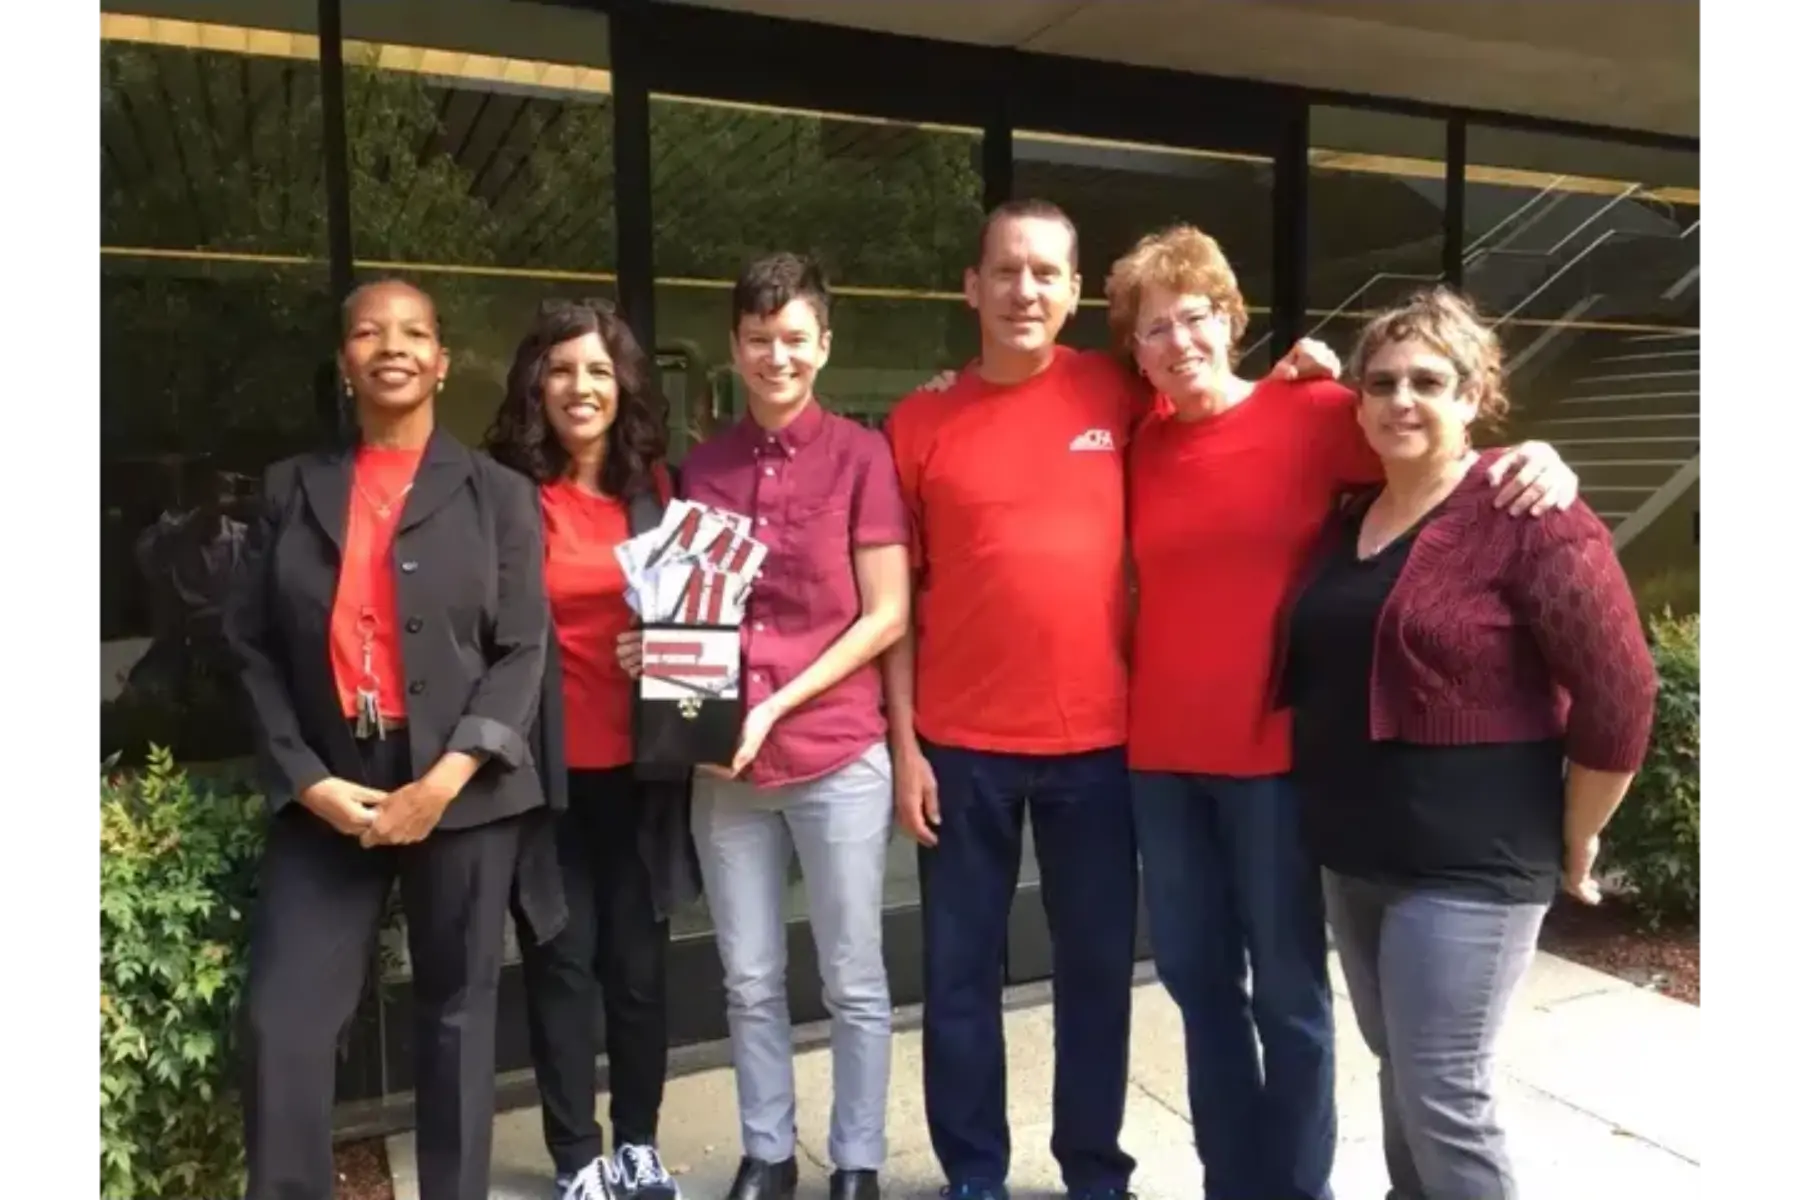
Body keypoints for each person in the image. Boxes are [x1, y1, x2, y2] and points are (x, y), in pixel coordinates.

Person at [881, 200, 1348, 1200]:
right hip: (962, 746)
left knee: (1101, 980)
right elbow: (896, 604)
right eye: (1005, 271)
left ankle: (1094, 1170)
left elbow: (1251, 420)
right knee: (962, 982)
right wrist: (905, 745)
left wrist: (1306, 372)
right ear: (971, 288)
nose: (1024, 290)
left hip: (1102, 747)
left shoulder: (1120, 395)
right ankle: (974, 1175)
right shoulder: (918, 421)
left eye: (1046, 272)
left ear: (1074, 293)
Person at [1105, 225, 1579, 1200]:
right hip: (1162, 761)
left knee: (1289, 996)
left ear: (1231, 320)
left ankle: (1299, 1187)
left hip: (1277, 762)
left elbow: (1436, 456)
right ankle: (1236, 1182)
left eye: (1194, 317)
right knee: (1198, 989)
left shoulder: (1318, 412)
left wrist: (1536, 459)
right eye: (1155, 328)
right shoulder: (1145, 441)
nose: (1178, 340)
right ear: (1138, 351)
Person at [1274, 286, 1658, 1200]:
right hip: (1358, 854)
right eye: (1382, 382)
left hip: (1474, 862)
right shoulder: (1349, 516)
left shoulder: (1530, 513)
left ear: (1476, 393)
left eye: (1428, 381)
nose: (1402, 399)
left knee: (1445, 1090)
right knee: (1399, 1069)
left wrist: (1580, 832)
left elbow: (1621, 689)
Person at [224, 278, 550, 1200]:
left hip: (462, 789)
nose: (392, 345)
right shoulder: (293, 488)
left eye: (414, 332)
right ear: (346, 361)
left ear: (442, 361)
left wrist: (444, 779)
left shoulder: (500, 496)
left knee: (455, 1018)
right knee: (282, 1022)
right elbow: (249, 647)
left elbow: (524, 649)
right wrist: (305, 779)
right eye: (370, 332)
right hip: (330, 791)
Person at [619, 253, 911, 1200]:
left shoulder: (864, 458)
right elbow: (691, 610)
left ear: (823, 345)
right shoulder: (702, 468)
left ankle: (858, 1159)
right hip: (725, 769)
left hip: (835, 752)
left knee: (852, 977)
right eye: (758, 339)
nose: (776, 355)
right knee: (747, 976)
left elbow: (887, 614)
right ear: (734, 349)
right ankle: (769, 1151)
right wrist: (652, 657)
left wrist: (777, 703)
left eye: (794, 338)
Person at [484, 298, 700, 1200]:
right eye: (563, 368)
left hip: (644, 770)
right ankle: (579, 1158)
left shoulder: (660, 491)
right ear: (537, 381)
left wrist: (666, 643)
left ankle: (639, 1143)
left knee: (638, 970)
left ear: (625, 388)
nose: (582, 387)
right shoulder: (501, 493)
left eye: (600, 371)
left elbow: (702, 627)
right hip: (546, 775)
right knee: (563, 964)